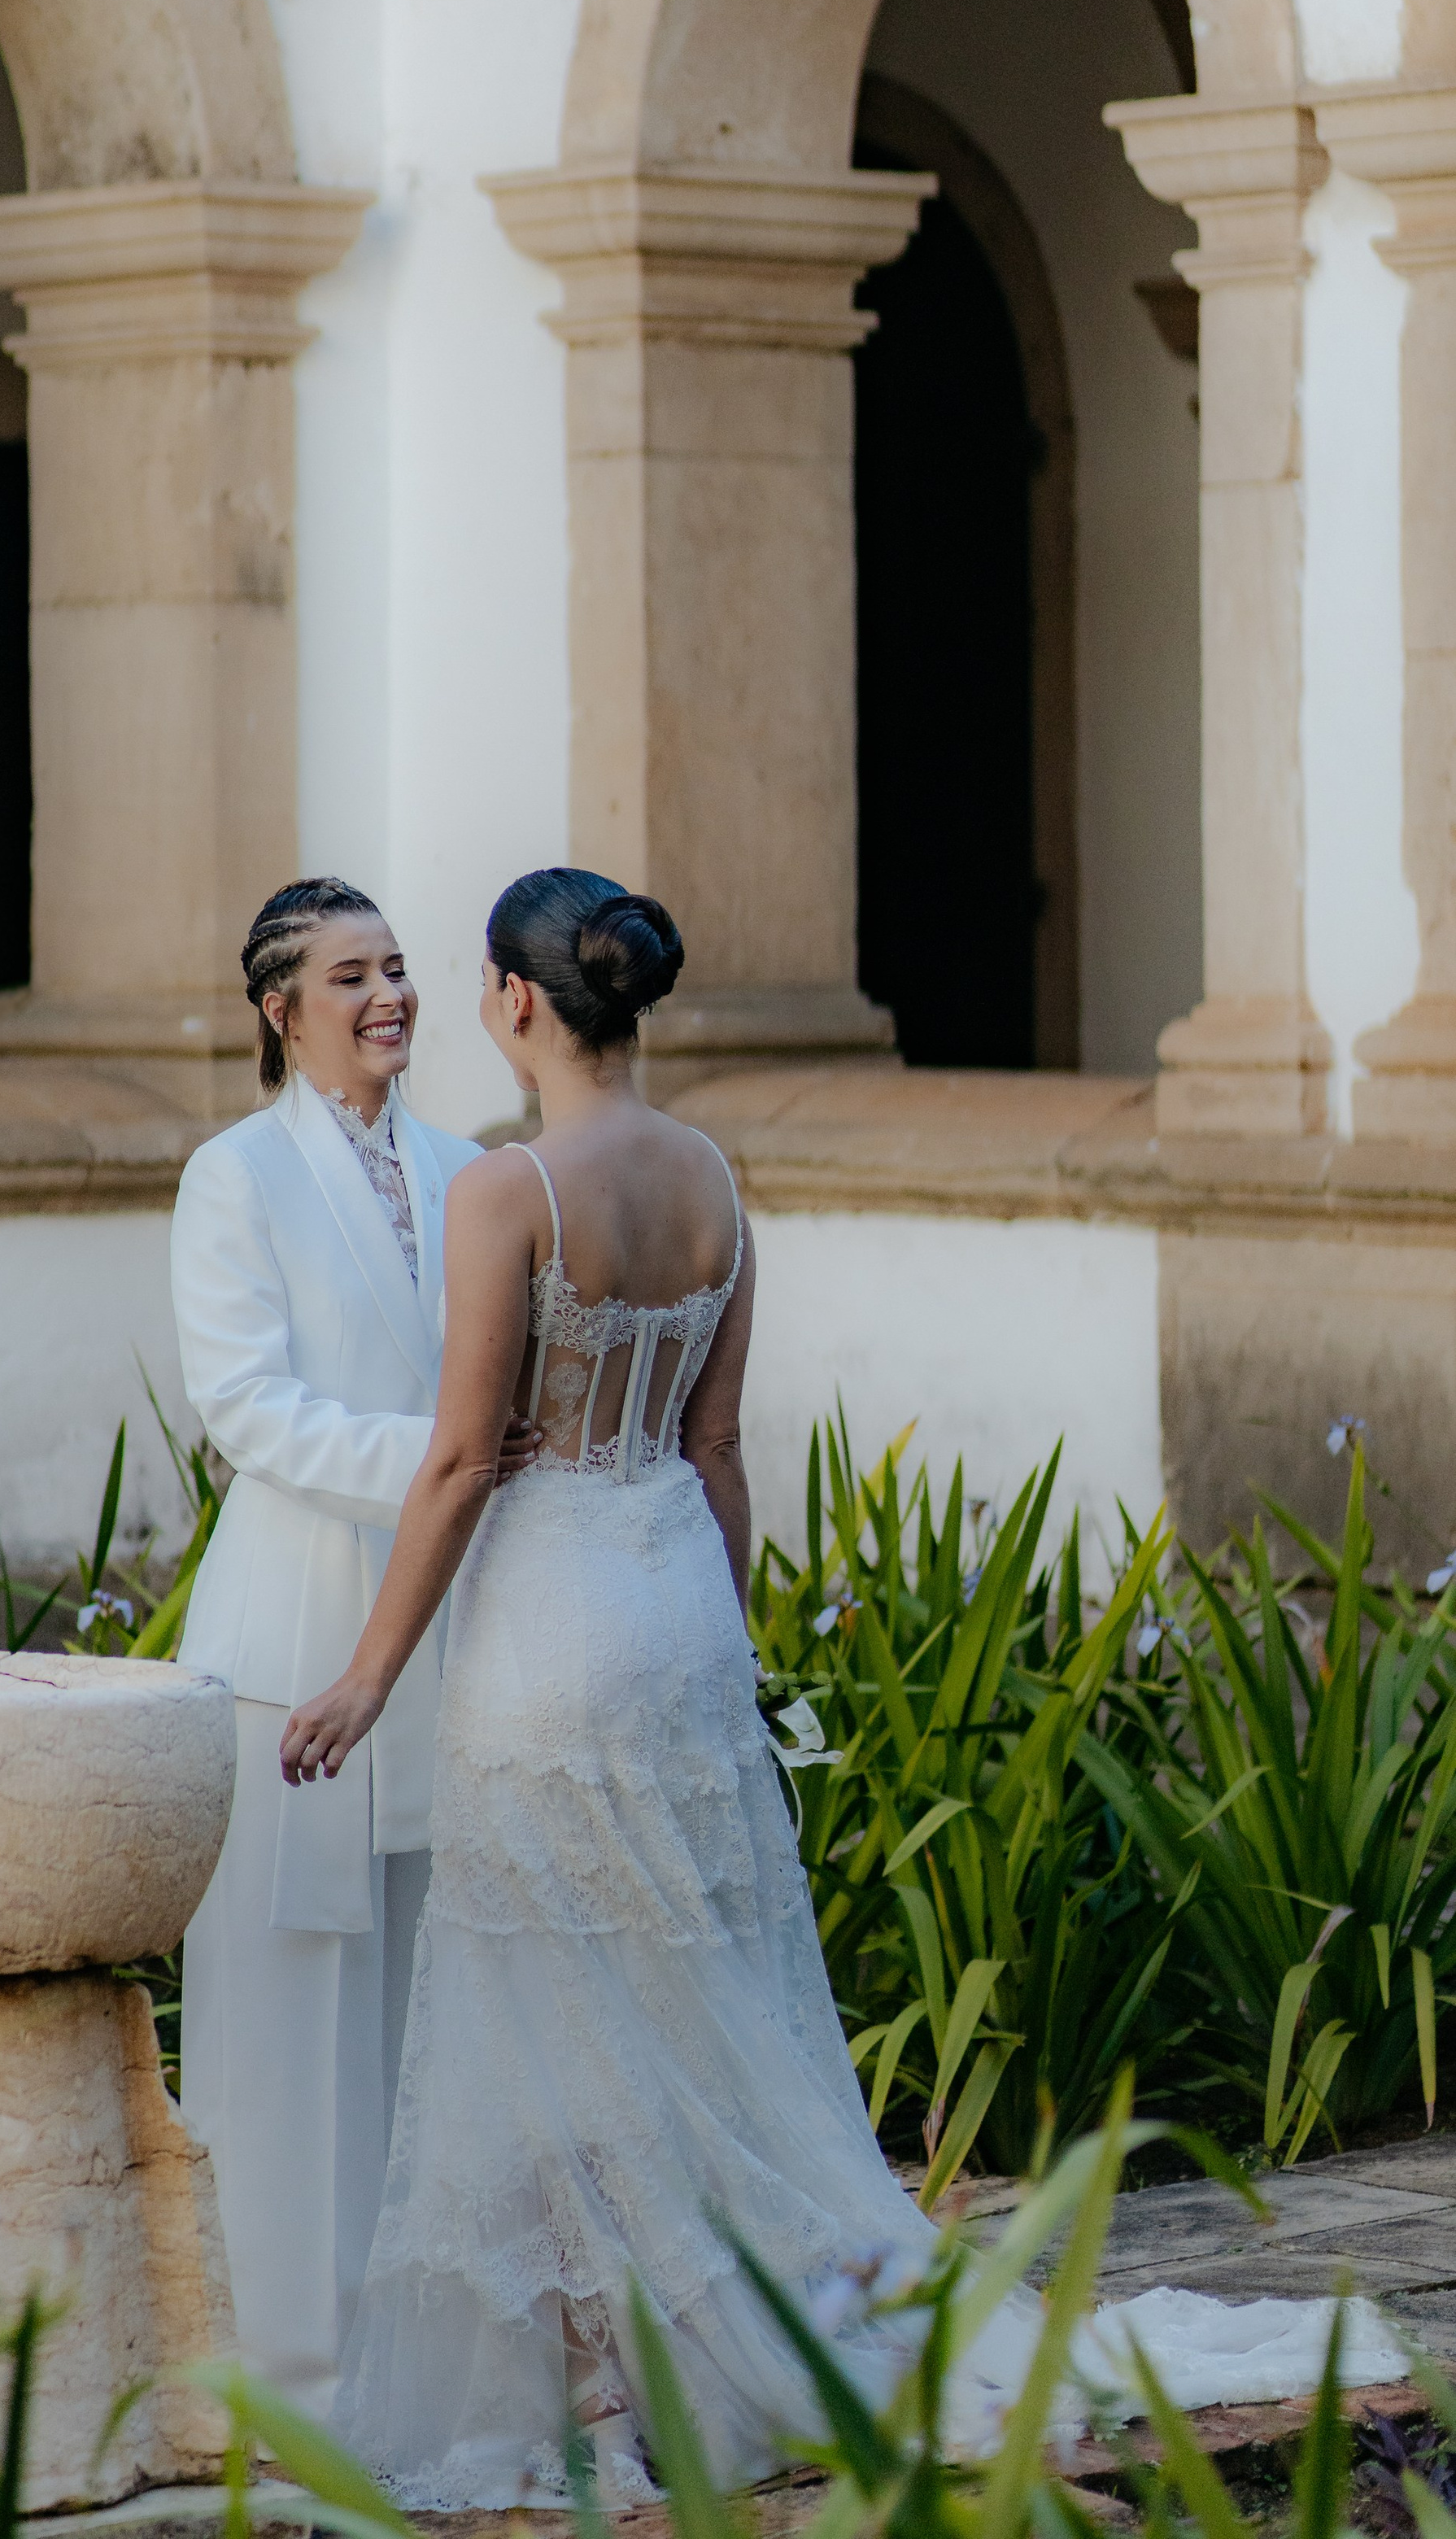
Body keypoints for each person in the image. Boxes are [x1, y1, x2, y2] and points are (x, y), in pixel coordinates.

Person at [283, 868, 1405, 2509]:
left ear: (514, 1002)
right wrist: (718, 1648)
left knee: (559, 1992)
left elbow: (461, 1458)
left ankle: (637, 2358)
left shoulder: (501, 1192)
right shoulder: (713, 1179)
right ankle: (656, 2339)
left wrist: (365, 1676)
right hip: (671, 1587)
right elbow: (718, 1448)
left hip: (549, 1615)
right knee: (687, 1980)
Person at [171, 876, 535, 2416]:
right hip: (292, 1628)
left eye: (396, 970)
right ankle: (284, 2366)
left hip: (440, 1625)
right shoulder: (233, 1177)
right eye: (349, 975)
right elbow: (243, 1406)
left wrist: (477, 1473)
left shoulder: (469, 1172)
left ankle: (409, 2349)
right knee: (287, 1998)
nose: (386, 997)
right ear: (280, 1008)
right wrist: (443, 1457)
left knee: (419, 1996)